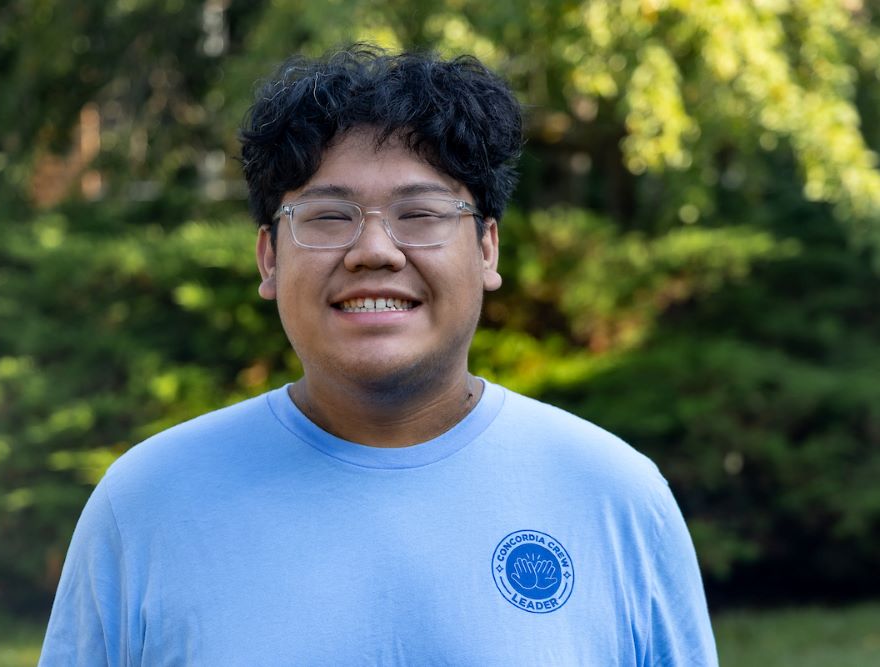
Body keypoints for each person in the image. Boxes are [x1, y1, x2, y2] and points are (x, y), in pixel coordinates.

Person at [39, 46, 718, 665]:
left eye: (420, 215)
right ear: (269, 257)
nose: (373, 251)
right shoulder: (148, 502)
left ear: (487, 249)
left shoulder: (615, 496)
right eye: (329, 216)